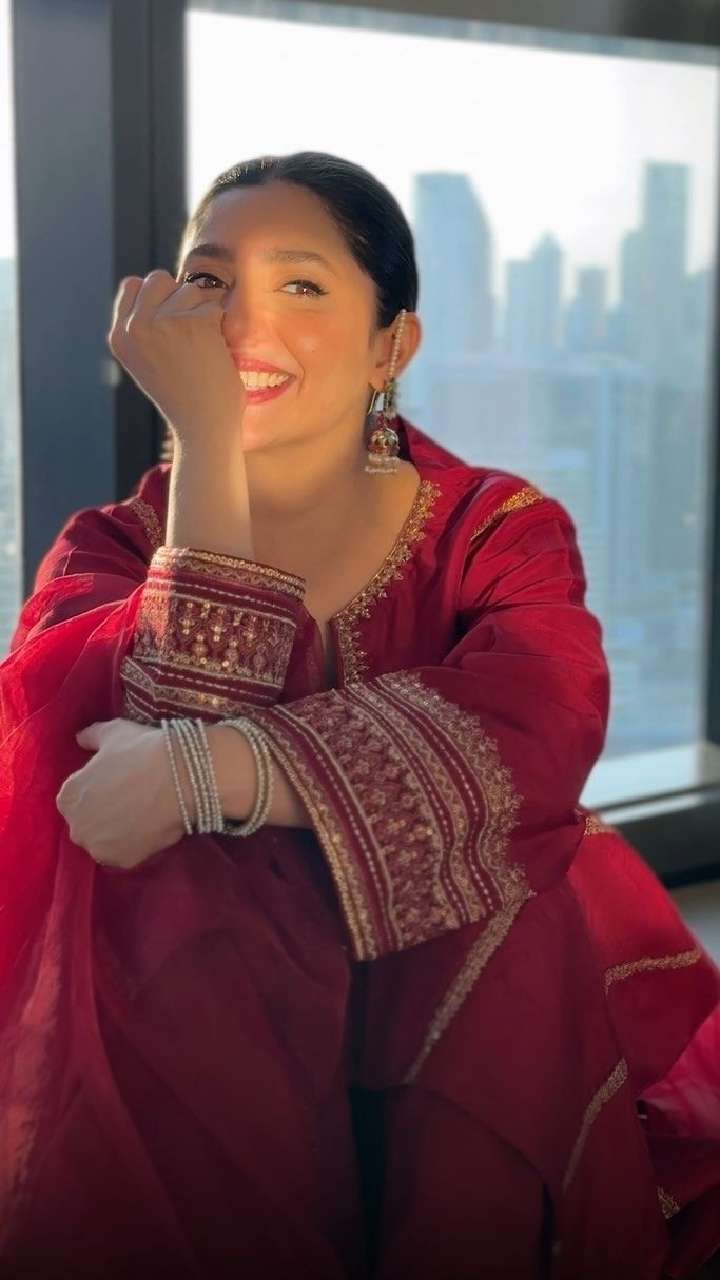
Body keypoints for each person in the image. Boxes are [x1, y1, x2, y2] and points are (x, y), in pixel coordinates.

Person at [0, 150, 719, 1280]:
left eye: (300, 284)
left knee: (510, 912)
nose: (242, 320)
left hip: (450, 1003)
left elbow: (540, 723)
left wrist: (214, 773)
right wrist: (208, 443)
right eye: (210, 280)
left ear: (392, 347)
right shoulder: (107, 550)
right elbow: (136, 788)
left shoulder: (492, 530)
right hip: (200, 1033)